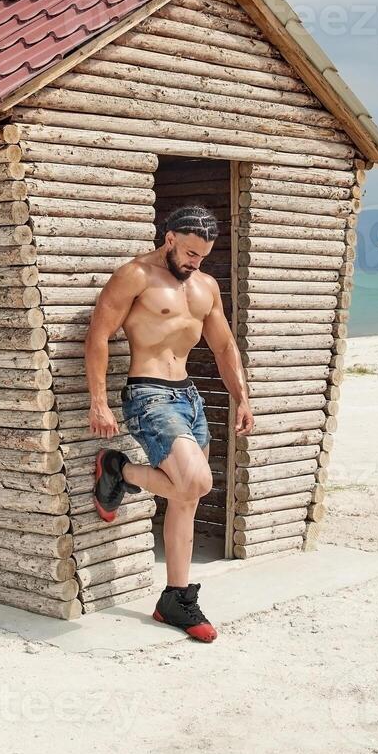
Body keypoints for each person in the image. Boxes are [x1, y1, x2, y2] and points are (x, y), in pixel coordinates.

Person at [83, 204, 254, 642]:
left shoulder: (206, 287)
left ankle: (176, 599)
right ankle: (118, 468)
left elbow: (223, 346)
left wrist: (241, 397)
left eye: (203, 256)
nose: (195, 263)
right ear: (170, 238)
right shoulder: (135, 275)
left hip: (189, 397)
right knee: (196, 481)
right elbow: (99, 335)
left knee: (186, 499)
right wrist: (98, 402)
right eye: (191, 253)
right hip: (148, 393)